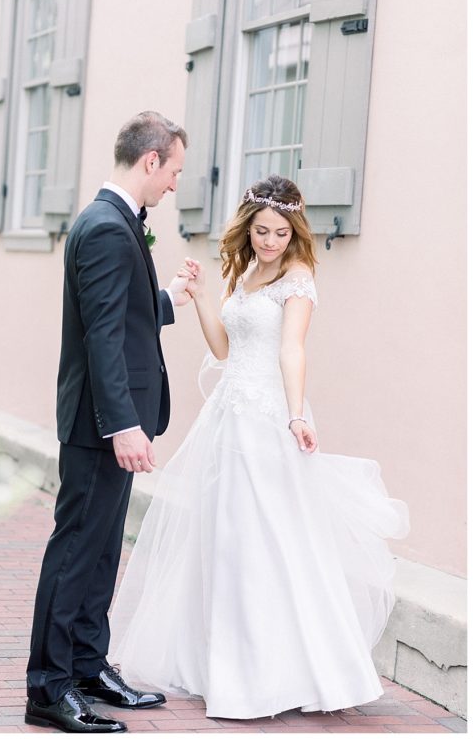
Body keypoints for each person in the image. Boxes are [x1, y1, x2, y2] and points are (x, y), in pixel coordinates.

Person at [107, 174, 410, 720]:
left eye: (279, 233)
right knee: (225, 538)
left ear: (294, 233)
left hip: (271, 418)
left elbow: (292, 350)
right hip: (228, 417)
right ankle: (225, 668)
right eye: (262, 231)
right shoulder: (244, 272)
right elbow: (225, 346)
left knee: (271, 538)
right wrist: (200, 298)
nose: (270, 242)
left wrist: (296, 414)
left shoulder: (298, 280)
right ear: (248, 230)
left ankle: (279, 674)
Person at [25, 111, 193, 734]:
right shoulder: (104, 226)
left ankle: (88, 667)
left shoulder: (119, 224)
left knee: (100, 554)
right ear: (151, 161)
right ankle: (47, 687)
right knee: (75, 552)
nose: (176, 183)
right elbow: (100, 335)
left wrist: (168, 297)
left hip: (113, 423)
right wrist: (123, 424)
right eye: (174, 169)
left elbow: (122, 313)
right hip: (101, 426)